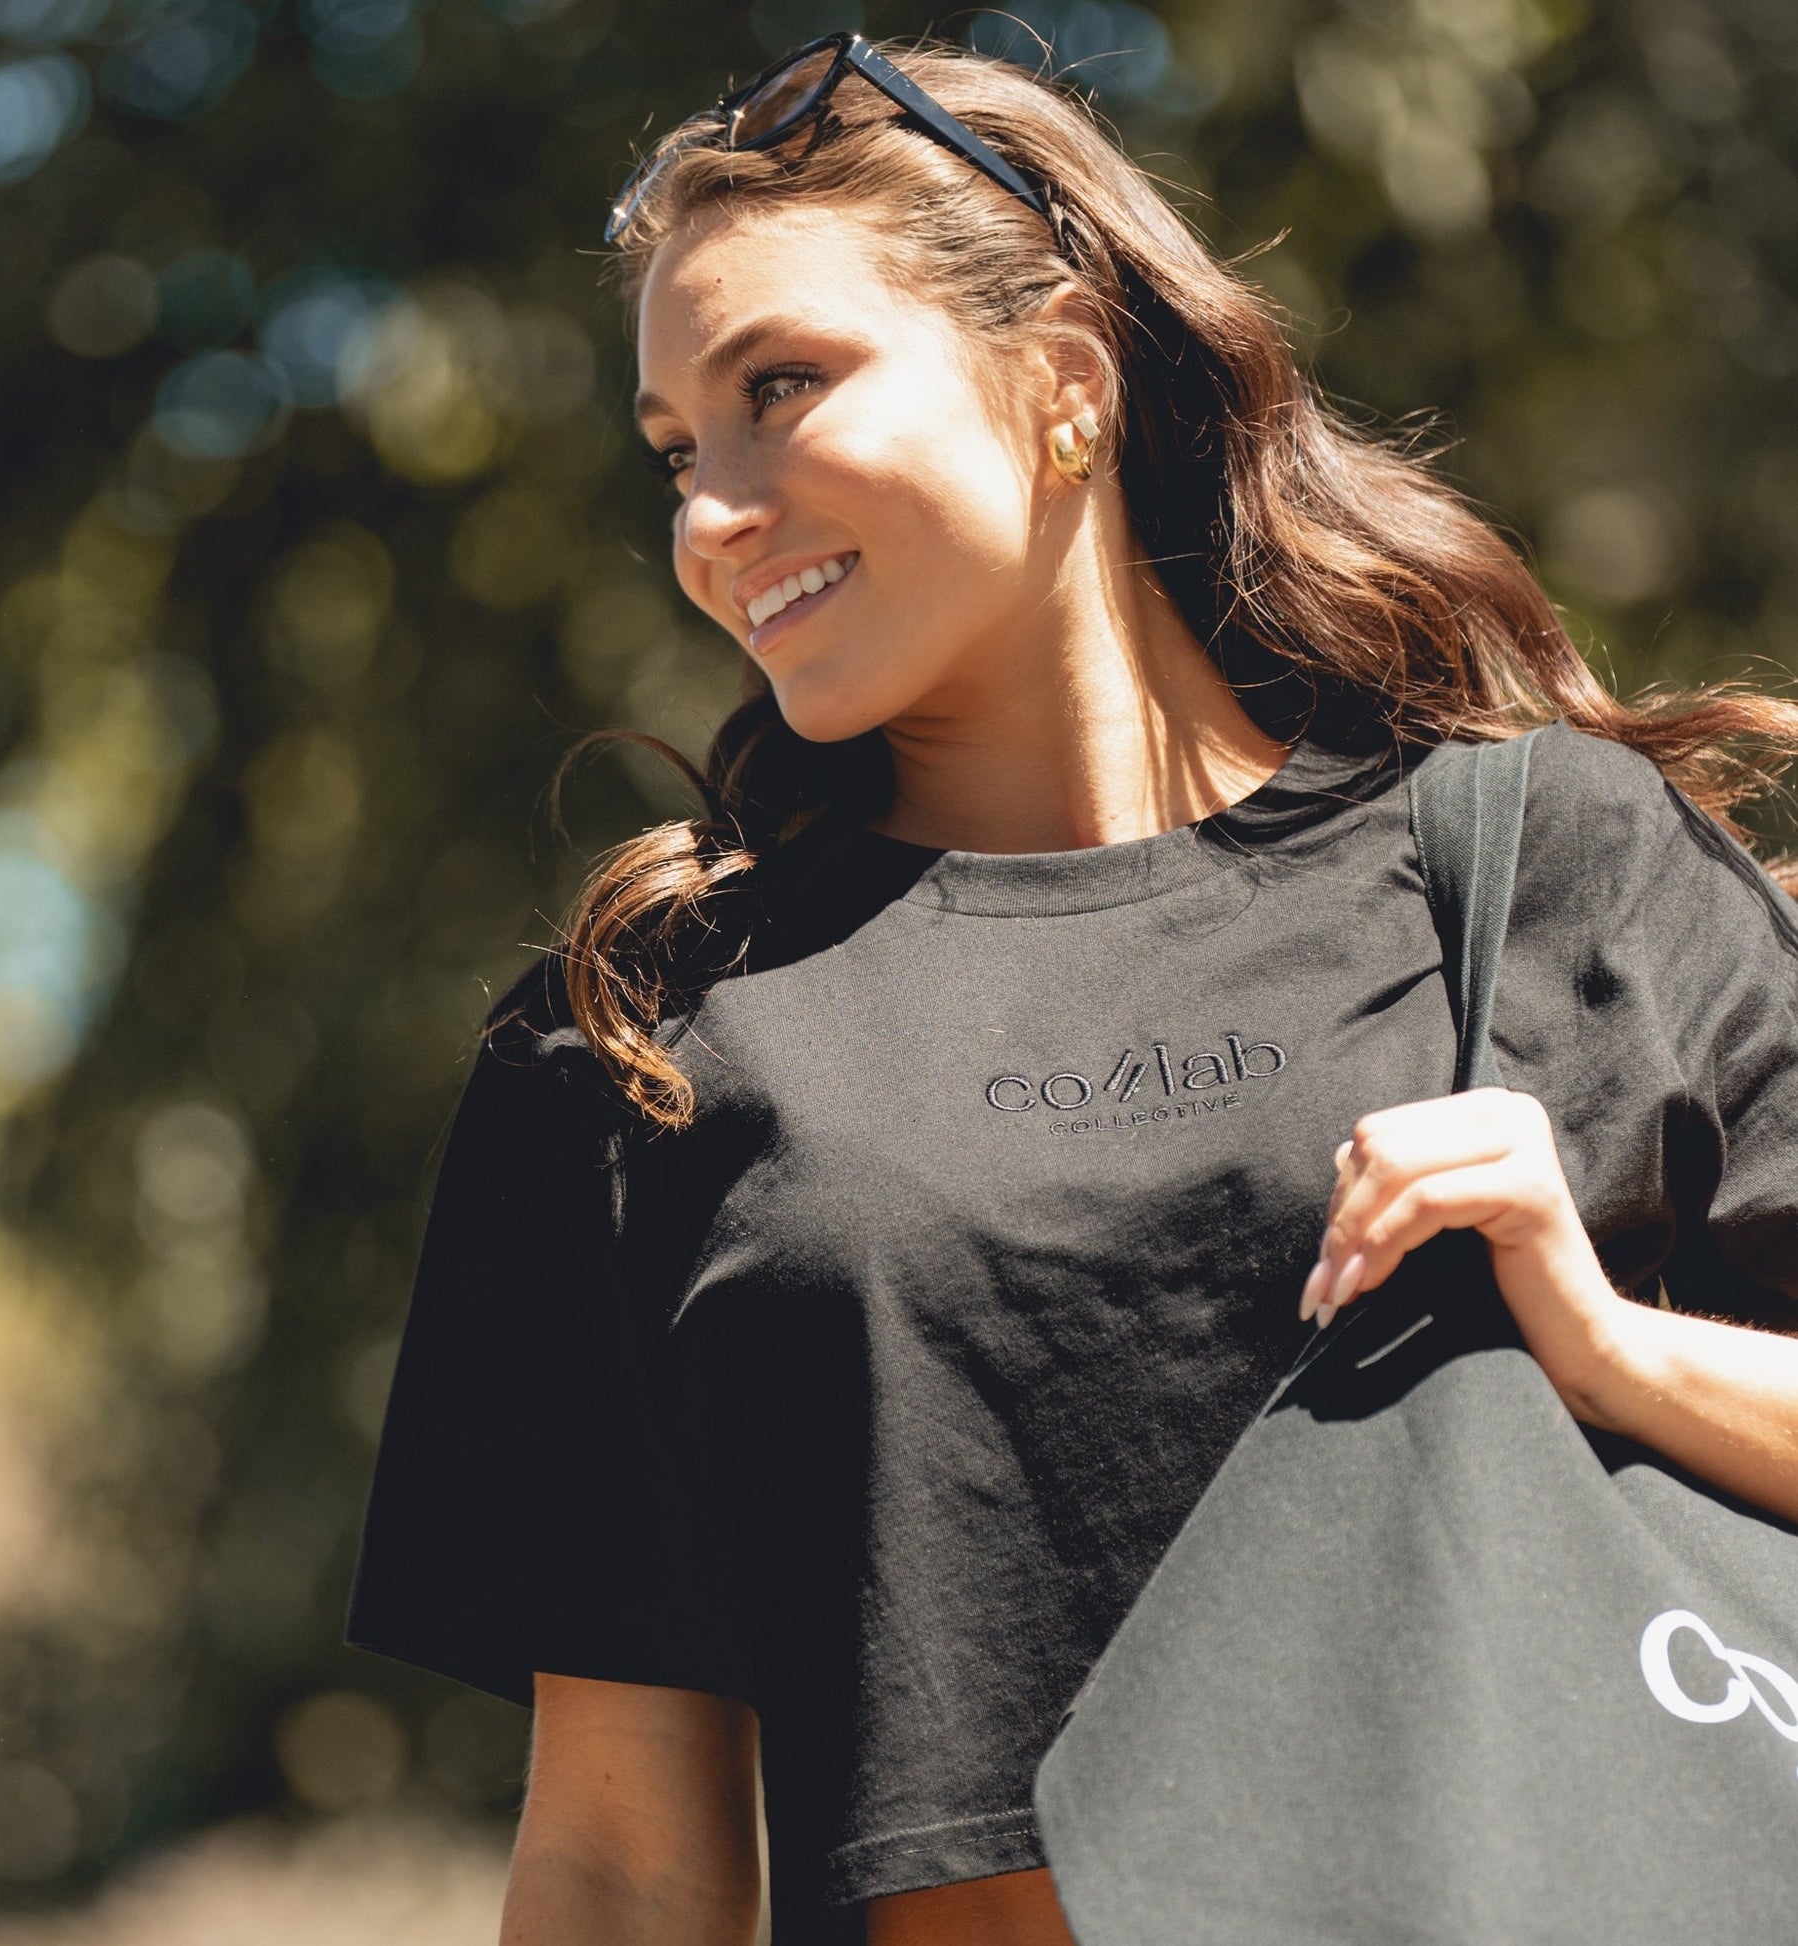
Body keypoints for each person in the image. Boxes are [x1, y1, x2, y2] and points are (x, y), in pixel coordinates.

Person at [344, 35, 1798, 1946]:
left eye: (781, 386)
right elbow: (623, 1861)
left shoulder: (1553, 875)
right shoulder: (638, 1047)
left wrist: (1604, 1344)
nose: (712, 512)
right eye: (678, 451)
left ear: (1062, 385)